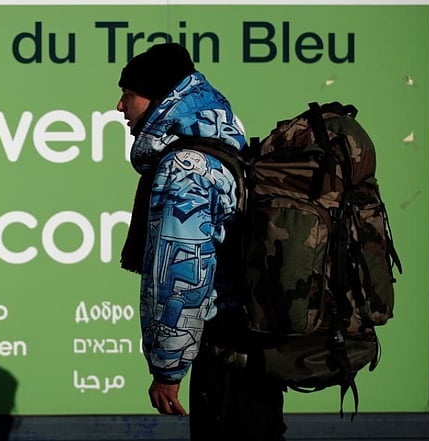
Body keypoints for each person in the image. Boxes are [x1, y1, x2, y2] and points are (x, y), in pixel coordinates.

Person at [116, 43, 287, 440]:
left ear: (158, 97)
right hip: (254, 347)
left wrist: (168, 369)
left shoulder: (184, 169)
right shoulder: (224, 147)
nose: (119, 107)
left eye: (127, 94)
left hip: (226, 353)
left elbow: (181, 277)